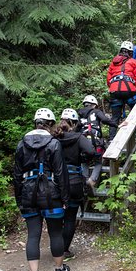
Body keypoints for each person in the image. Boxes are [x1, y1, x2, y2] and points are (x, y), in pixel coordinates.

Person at [13, 108, 71, 271]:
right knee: (55, 232)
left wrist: (19, 200)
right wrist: (65, 197)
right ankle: (59, 269)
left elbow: (16, 175)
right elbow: (61, 173)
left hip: (29, 194)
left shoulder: (22, 144)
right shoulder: (54, 144)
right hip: (51, 193)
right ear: (51, 124)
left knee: (33, 234)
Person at [54, 108, 99, 260]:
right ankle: (64, 250)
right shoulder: (79, 137)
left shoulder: (54, 137)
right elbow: (91, 152)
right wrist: (81, 158)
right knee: (70, 217)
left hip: (55, 181)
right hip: (73, 181)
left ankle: (56, 246)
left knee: (57, 215)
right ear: (74, 123)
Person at [77, 94, 117, 187]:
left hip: (82, 142)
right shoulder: (96, 111)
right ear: (94, 104)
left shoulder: (79, 114)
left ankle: (84, 180)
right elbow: (105, 120)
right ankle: (92, 180)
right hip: (96, 141)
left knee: (84, 161)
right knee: (98, 161)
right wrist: (116, 125)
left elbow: (77, 129)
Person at [106, 40, 136, 140]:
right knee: (135, 111)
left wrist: (113, 88)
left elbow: (109, 79)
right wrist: (133, 88)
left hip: (115, 91)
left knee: (115, 117)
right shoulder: (133, 62)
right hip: (129, 92)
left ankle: (111, 138)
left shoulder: (113, 62)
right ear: (130, 52)